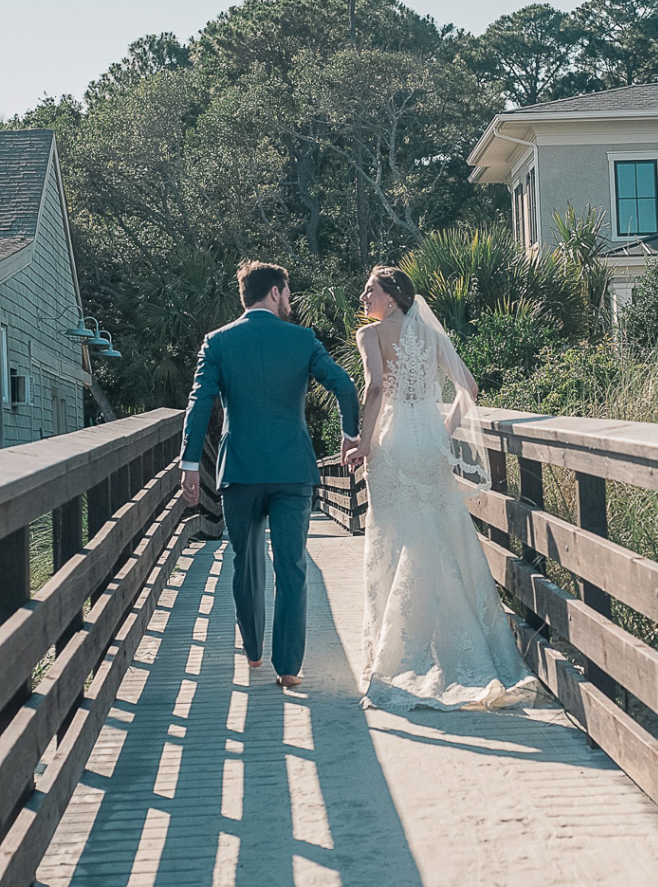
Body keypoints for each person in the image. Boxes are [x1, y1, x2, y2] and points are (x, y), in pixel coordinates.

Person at [345, 266, 540, 710]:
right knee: (441, 538)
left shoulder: (371, 336)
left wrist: (364, 444)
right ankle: (469, 650)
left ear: (391, 296)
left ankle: (396, 656)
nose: (363, 296)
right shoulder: (432, 335)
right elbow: (468, 388)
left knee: (394, 542)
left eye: (369, 289)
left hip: (392, 443)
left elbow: (375, 387)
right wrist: (442, 431)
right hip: (429, 443)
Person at [180, 261, 360, 688]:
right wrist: (349, 435)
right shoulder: (302, 339)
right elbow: (345, 386)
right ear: (276, 292)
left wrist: (189, 464)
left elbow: (199, 403)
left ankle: (255, 652)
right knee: (292, 566)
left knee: (245, 563)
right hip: (292, 470)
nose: (290, 300)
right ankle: (288, 667)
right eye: (288, 293)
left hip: (239, 470)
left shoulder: (218, 342)